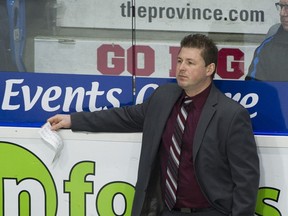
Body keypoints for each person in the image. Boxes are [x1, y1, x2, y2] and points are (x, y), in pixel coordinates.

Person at [48, 34, 260, 216]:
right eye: (179, 61)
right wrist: (73, 120)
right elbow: (125, 117)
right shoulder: (164, 97)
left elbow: (246, 180)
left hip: (210, 212)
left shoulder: (231, 114)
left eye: (190, 63)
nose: (181, 68)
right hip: (165, 211)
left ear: (209, 69)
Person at [245, 0, 288, 81]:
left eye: (287, 7)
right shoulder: (266, 48)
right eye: (281, 6)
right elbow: (252, 87)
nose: (282, 13)